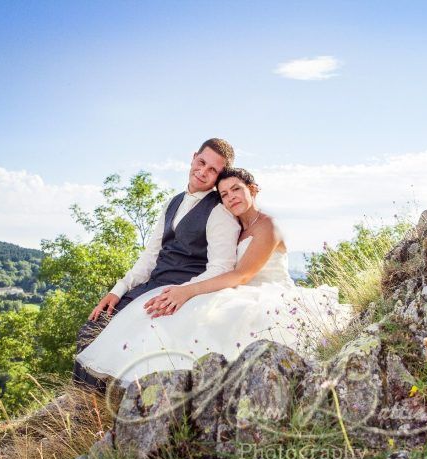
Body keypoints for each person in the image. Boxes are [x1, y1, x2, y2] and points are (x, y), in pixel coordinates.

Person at [75, 168, 352, 388]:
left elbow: (242, 275)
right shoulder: (238, 227)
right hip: (235, 289)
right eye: (224, 194)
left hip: (264, 292)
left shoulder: (268, 225)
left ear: (253, 190)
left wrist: (188, 291)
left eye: (236, 190)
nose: (230, 197)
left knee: (205, 319)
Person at [72, 138, 241, 389]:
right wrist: (117, 290)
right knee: (92, 327)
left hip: (176, 295)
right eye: (201, 162)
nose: (203, 171)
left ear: (219, 176)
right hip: (151, 286)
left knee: (113, 339)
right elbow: (150, 256)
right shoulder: (173, 201)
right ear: (193, 157)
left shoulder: (219, 211)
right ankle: (84, 407)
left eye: (213, 170)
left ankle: (97, 411)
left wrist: (184, 291)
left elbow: (222, 267)